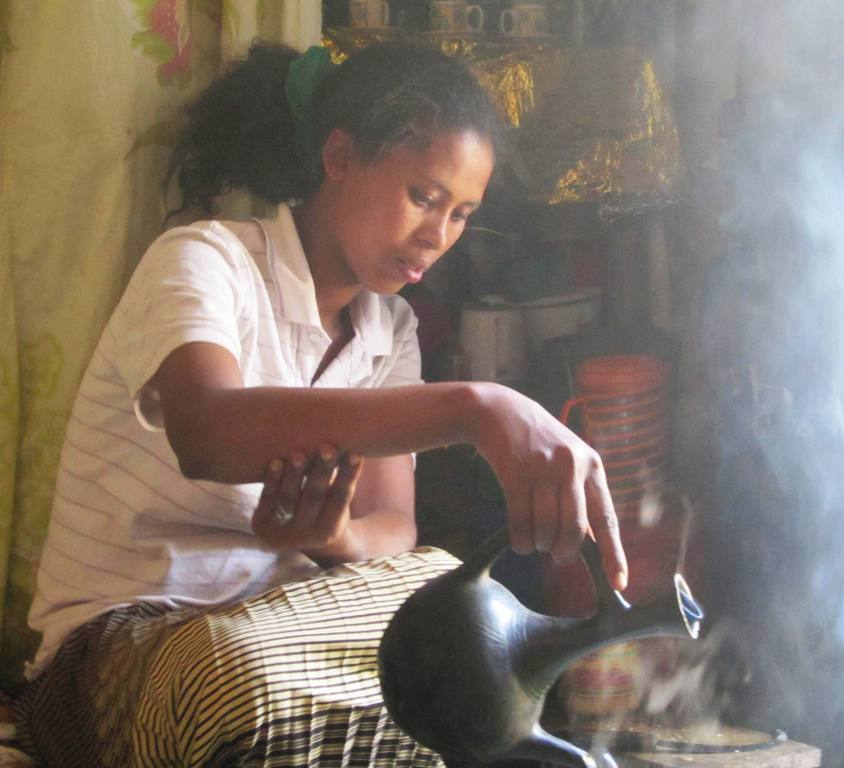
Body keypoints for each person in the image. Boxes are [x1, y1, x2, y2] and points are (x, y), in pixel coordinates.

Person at [16, 40, 627, 767]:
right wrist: (476, 407)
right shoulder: (204, 260)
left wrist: (332, 541)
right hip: (120, 645)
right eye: (424, 197)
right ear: (340, 157)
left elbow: (393, 526)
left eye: (462, 213)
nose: (438, 237)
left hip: (278, 623)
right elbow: (207, 430)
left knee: (441, 598)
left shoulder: (389, 328)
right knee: (233, 673)